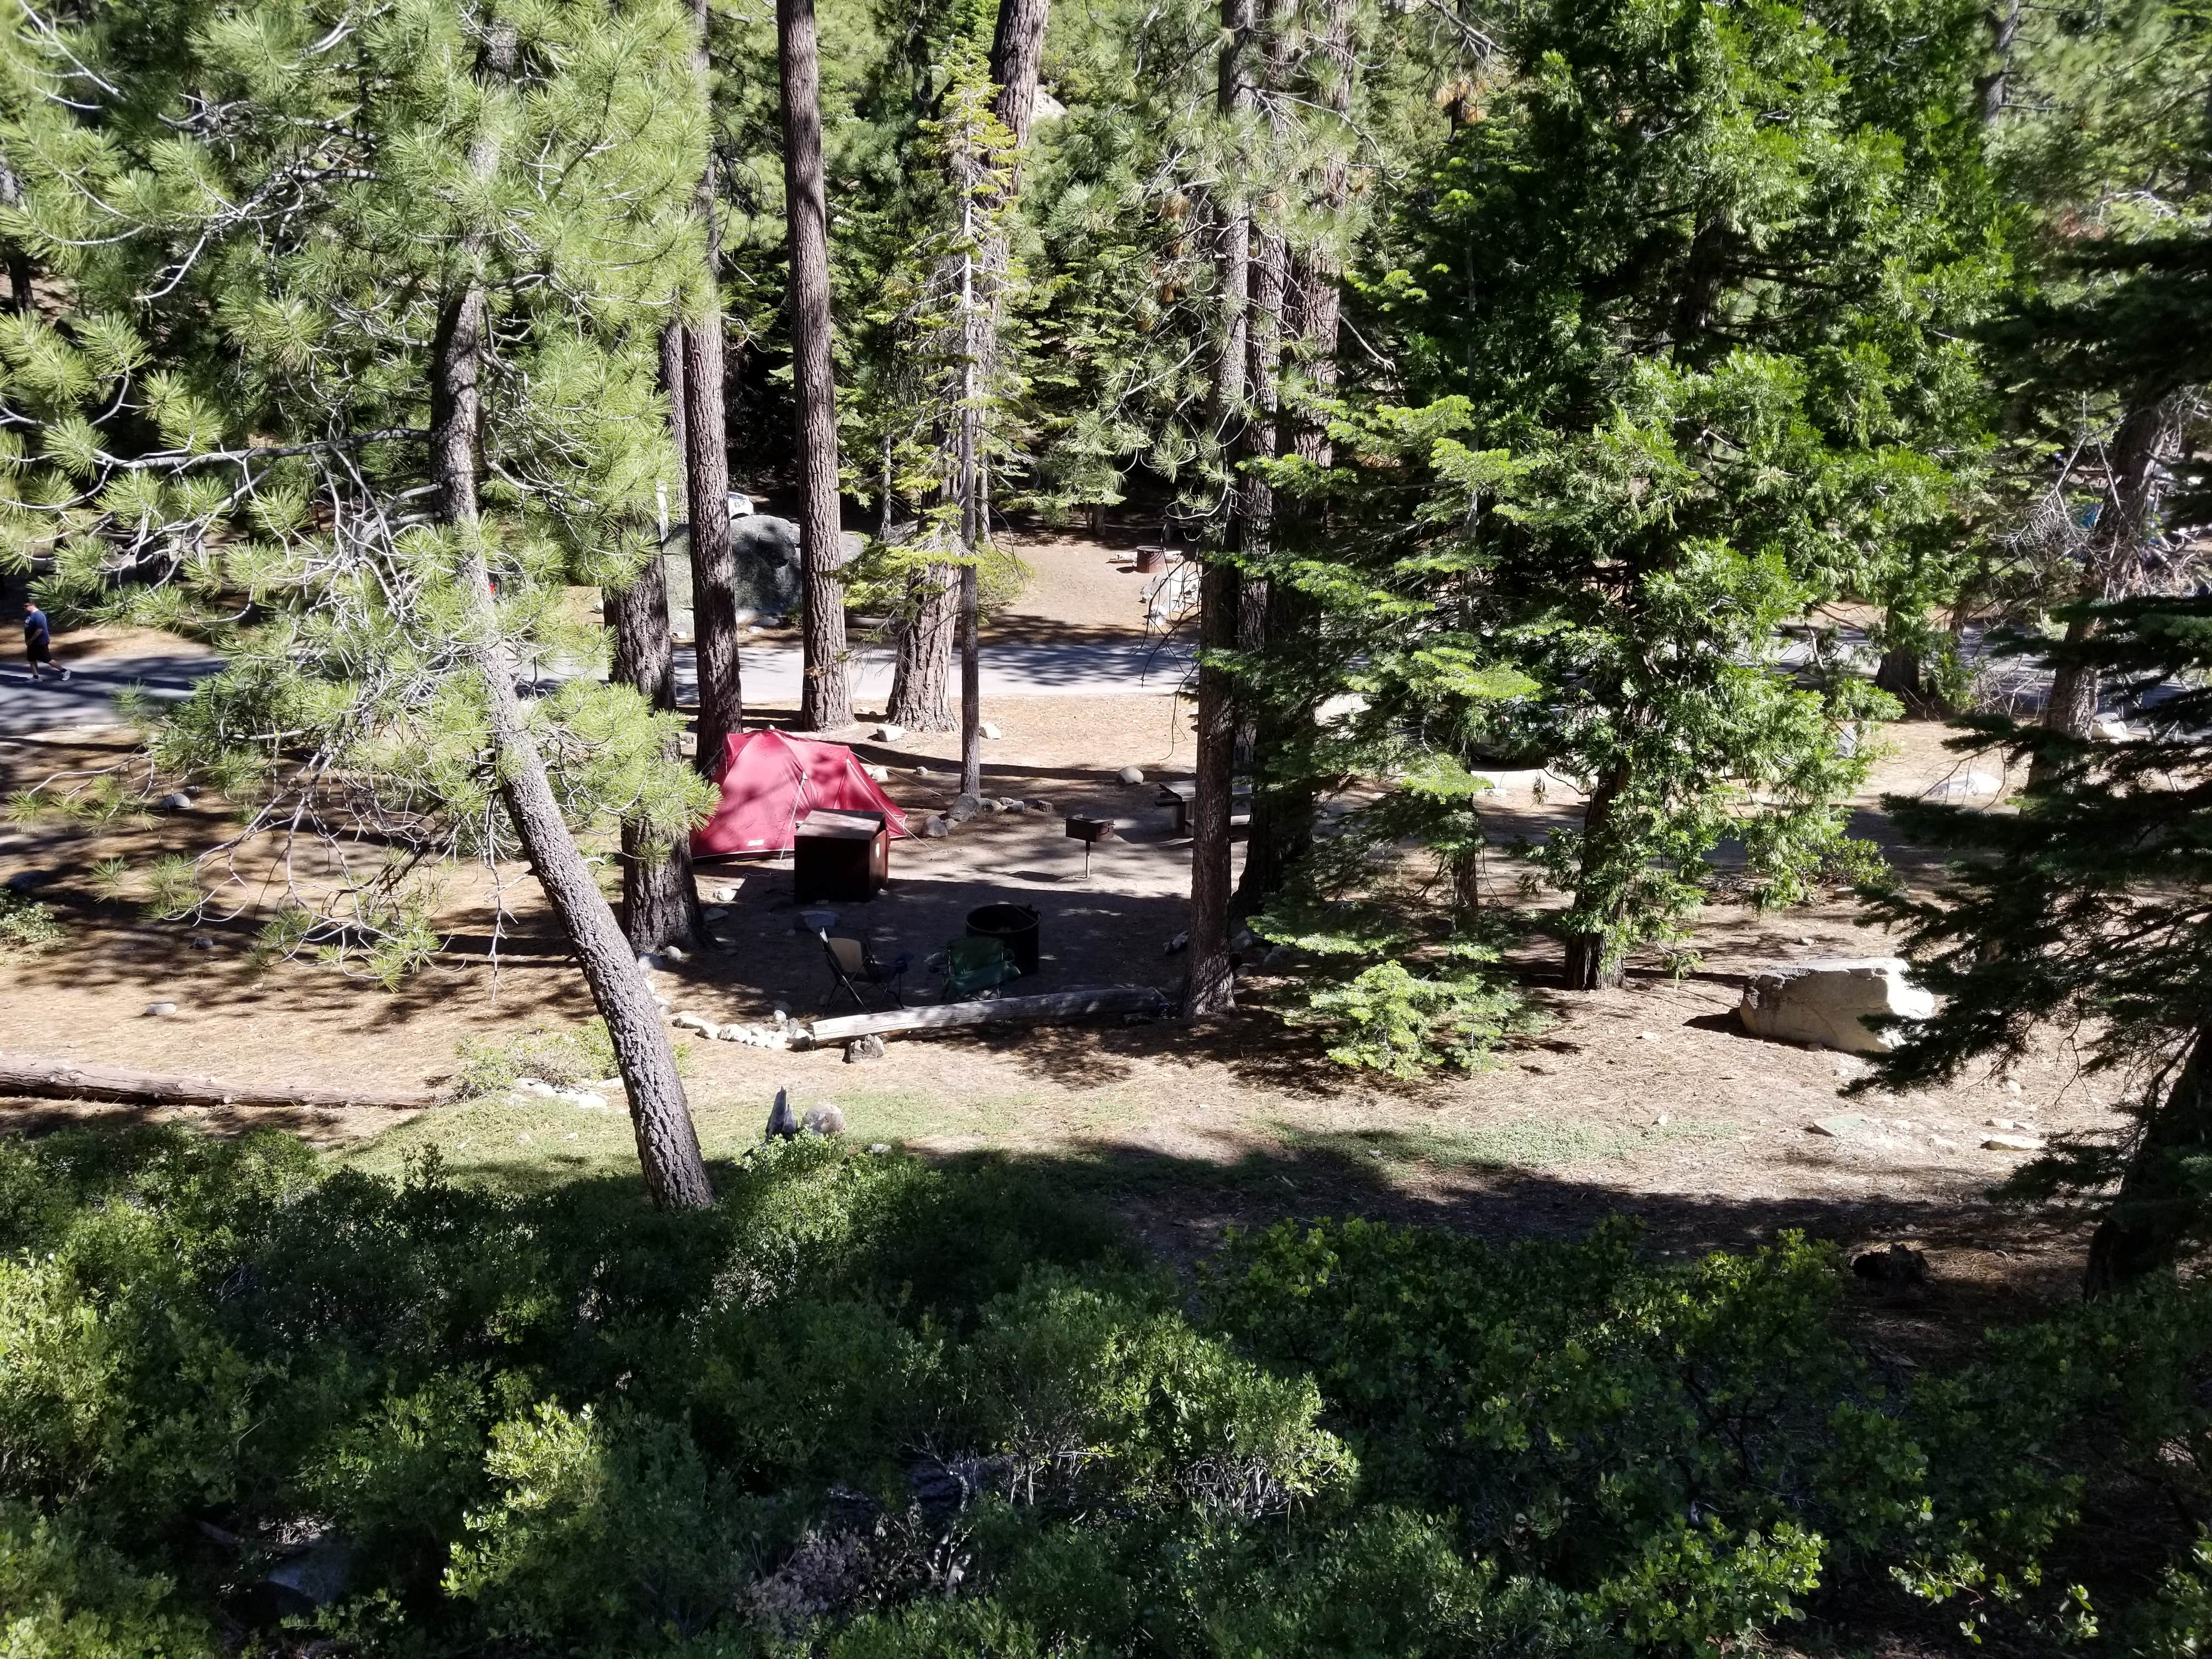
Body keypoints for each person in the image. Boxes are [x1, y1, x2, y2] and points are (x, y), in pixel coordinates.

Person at [22, 602, 67, 681]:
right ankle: (36, 677)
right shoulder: (30, 615)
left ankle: (65, 671)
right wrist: (28, 641)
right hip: (31, 642)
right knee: (31, 659)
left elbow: (40, 629)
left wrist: (31, 640)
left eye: (25, 606)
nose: (24, 608)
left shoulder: (39, 615)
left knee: (47, 659)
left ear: (32, 605)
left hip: (40, 641)